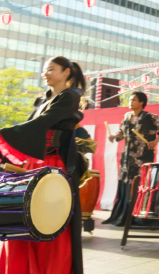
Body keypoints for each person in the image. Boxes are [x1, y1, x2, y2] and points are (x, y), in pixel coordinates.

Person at [0, 56, 87, 274]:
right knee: (22, 223)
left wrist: (4, 135)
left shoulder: (70, 97)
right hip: (34, 165)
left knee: (50, 222)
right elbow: (31, 129)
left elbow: (39, 124)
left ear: (66, 72)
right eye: (44, 70)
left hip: (53, 167)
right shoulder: (42, 99)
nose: (45, 73)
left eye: (51, 69)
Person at [102, 91, 159, 227]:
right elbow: (122, 132)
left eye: (133, 100)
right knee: (125, 185)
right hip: (127, 158)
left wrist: (155, 141)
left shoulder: (150, 117)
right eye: (130, 99)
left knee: (140, 185)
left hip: (142, 158)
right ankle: (122, 215)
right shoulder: (127, 116)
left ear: (141, 102)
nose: (130, 102)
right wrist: (114, 136)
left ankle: (141, 217)